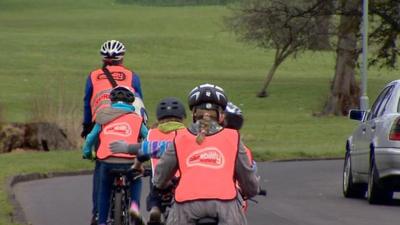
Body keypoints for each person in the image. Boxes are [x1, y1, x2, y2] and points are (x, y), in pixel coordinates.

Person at [110, 83, 260, 225]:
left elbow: (160, 177)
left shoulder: (180, 138)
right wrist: (251, 189)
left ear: (194, 114)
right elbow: (248, 180)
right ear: (221, 116)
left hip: (186, 206)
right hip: (225, 205)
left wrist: (161, 185)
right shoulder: (233, 137)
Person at [81, 40, 145, 225]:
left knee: (101, 166)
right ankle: (134, 207)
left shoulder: (93, 76)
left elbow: (87, 102)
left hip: (101, 121)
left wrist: (86, 126)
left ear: (103, 58)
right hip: (131, 120)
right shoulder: (132, 76)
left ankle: (97, 215)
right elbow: (140, 102)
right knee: (135, 169)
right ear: (121, 58)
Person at [137, 97, 186, 224]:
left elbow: (143, 153)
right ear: (182, 117)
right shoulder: (187, 133)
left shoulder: (152, 133)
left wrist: (138, 166)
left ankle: (155, 207)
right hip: (182, 178)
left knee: (155, 182)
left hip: (160, 180)